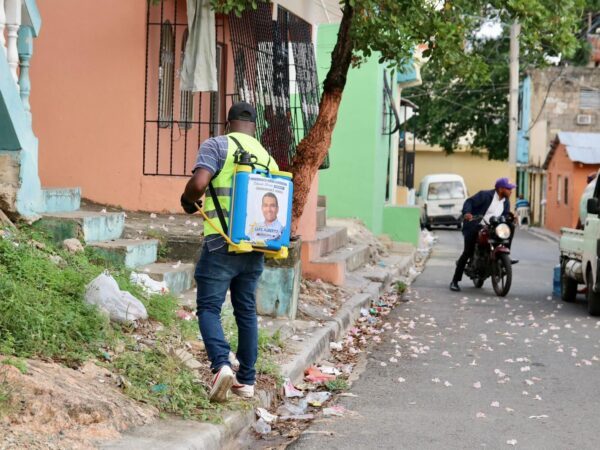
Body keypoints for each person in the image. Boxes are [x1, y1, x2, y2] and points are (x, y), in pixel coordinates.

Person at [180, 102, 278, 403]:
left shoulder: (217, 145)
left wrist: (187, 199)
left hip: (220, 243)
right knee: (246, 310)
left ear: (228, 123)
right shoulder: (268, 158)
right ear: (254, 127)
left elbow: (199, 183)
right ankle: (246, 380)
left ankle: (221, 364)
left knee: (209, 307)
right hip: (254, 247)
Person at [449, 178, 516, 292]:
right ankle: (455, 281)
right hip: (476, 225)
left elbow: (504, 216)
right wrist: (467, 213)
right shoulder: (485, 195)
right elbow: (469, 202)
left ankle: (504, 256)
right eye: (509, 189)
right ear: (500, 189)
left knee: (510, 226)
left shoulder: (506, 201)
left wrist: (510, 218)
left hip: (493, 227)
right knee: (468, 251)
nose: (511, 191)